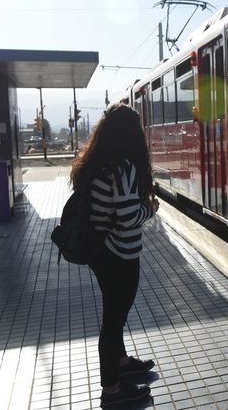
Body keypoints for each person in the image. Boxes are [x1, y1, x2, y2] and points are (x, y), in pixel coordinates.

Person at [69, 104, 159, 407]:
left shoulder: (100, 161)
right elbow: (127, 216)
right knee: (113, 321)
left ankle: (120, 362)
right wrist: (150, 209)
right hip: (118, 253)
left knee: (114, 315)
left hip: (102, 252)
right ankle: (111, 389)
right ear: (132, 133)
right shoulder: (123, 166)